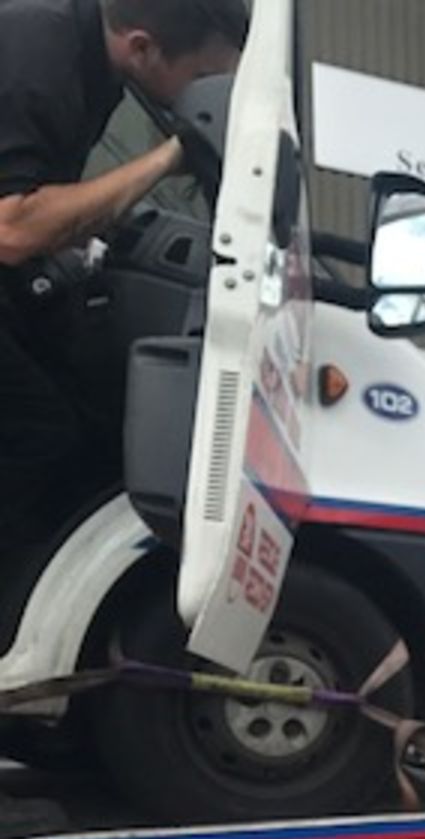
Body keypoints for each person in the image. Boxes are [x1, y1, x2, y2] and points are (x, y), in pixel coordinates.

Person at [0, 0, 247, 534]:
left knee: (86, 410)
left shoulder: (98, 66)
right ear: (141, 48)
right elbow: (14, 229)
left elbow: (48, 201)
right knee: (40, 434)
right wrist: (168, 157)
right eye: (202, 80)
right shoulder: (42, 50)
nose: (202, 98)